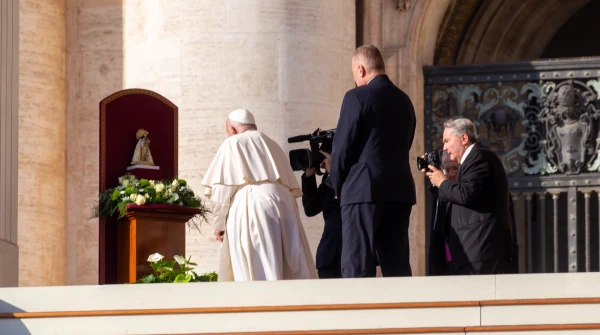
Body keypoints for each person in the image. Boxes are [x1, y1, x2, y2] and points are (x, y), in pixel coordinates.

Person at [201, 109, 318, 281]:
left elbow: (222, 191)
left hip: (253, 204)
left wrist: (219, 225)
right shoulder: (272, 144)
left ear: (232, 130)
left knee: (259, 264)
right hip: (284, 203)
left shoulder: (233, 142)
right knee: (290, 263)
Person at [330, 45, 416, 278]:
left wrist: (338, 185)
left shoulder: (356, 96)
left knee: (357, 264)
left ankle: (358, 314)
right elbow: (406, 143)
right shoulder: (405, 100)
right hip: (399, 191)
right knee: (396, 265)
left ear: (360, 69)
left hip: (362, 191)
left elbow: (342, 148)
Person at [425, 118, 513, 275]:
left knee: (477, 298)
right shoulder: (474, 160)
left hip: (479, 249)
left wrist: (442, 182)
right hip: (473, 250)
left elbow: (465, 194)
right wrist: (437, 182)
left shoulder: (479, 157)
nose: (444, 147)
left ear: (463, 138)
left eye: (447, 141)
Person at [301, 150, 342, 279]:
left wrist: (335, 173)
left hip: (349, 256)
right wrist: (309, 175)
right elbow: (311, 208)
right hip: (328, 256)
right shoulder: (329, 178)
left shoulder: (353, 174)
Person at [427, 151, 457, 276]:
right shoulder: (440, 193)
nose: (450, 174)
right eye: (447, 169)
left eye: (455, 168)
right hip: (444, 264)